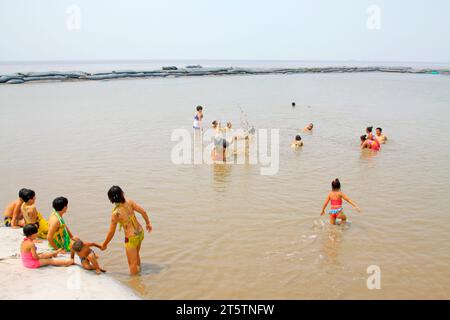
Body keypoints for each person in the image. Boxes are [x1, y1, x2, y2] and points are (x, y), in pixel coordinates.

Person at [101, 186, 153, 276]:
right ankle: (140, 274)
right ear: (122, 193)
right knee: (136, 255)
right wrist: (148, 223)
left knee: (132, 265)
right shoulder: (129, 202)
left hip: (131, 238)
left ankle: (135, 283)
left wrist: (104, 244)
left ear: (111, 199)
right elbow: (143, 212)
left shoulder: (116, 213)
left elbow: (111, 232)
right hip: (140, 233)